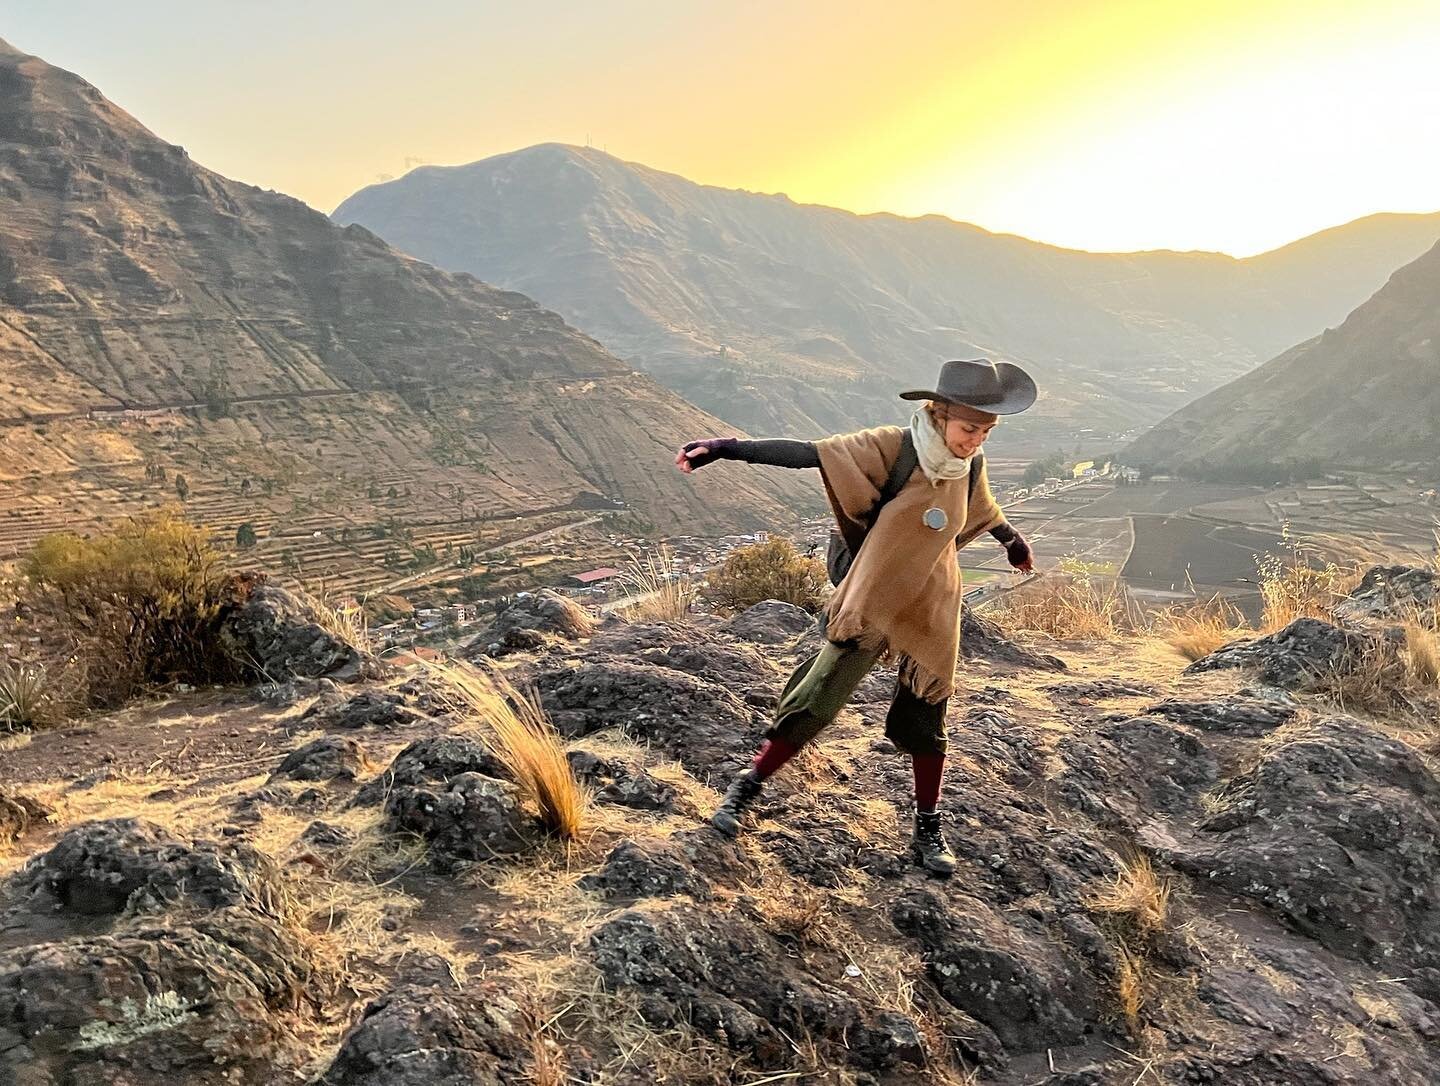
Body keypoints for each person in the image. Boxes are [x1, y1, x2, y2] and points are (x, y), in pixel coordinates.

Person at [674, 358, 1037, 874]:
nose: (976, 440)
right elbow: (812, 454)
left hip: (932, 602)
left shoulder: (970, 464)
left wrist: (1012, 542)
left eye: (986, 431)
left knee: (928, 719)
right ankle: (746, 787)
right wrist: (729, 450)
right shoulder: (894, 446)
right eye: (969, 429)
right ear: (939, 415)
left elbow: (983, 507)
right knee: (819, 698)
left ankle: (927, 826)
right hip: (874, 596)